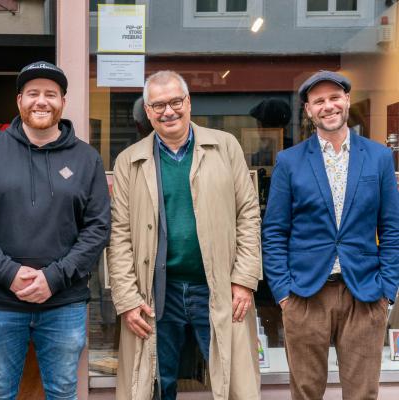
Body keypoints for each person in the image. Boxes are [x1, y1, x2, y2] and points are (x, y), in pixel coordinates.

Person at [0, 61, 110, 400]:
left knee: (63, 391)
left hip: (64, 302)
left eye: (51, 94)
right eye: (33, 93)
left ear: (63, 103)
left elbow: (97, 227)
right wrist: (8, 273)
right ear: (19, 101)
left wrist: (53, 278)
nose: (42, 101)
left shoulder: (86, 159)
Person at [108, 70, 261, 400]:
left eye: (176, 101)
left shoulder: (225, 147)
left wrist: (245, 279)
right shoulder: (128, 161)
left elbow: (248, 215)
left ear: (188, 102)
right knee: (157, 382)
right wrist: (128, 299)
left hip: (218, 288)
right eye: (158, 105)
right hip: (158, 295)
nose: (168, 111)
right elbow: (119, 234)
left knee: (233, 382)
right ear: (148, 112)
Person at [262, 70, 399, 400]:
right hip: (306, 295)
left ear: (347, 101)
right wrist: (283, 293)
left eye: (335, 97)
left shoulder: (378, 157)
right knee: (307, 392)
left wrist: (387, 291)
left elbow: (392, 229)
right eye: (319, 101)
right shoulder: (290, 161)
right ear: (308, 110)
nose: (329, 106)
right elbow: (274, 231)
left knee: (362, 393)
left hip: (365, 295)